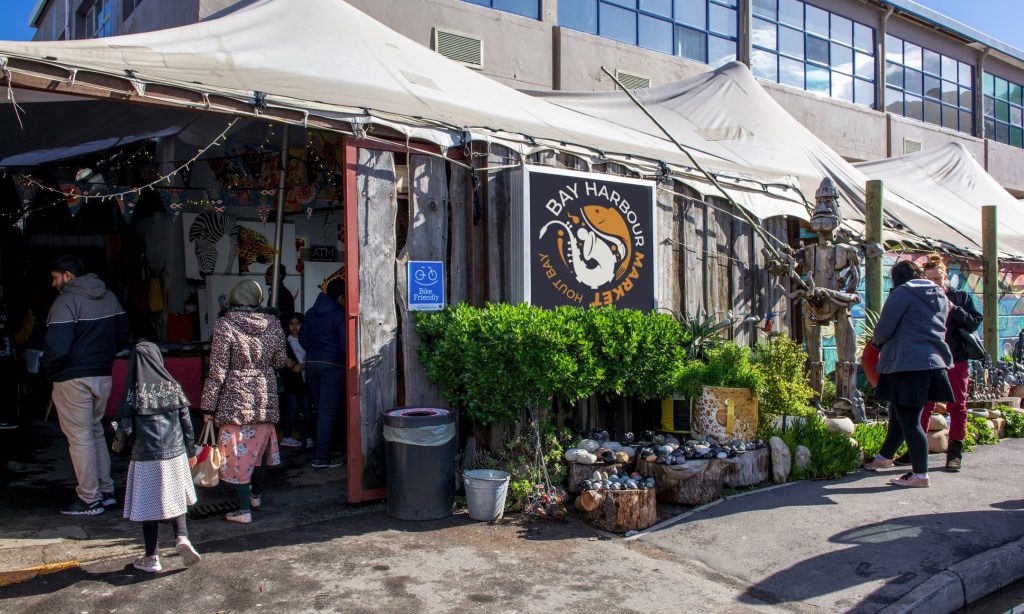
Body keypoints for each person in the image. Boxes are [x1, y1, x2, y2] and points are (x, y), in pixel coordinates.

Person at [44, 254, 130, 515]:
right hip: (103, 375)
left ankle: (89, 499)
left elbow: (56, 347)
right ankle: (105, 492)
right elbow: (123, 336)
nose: (53, 283)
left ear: (68, 276)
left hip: (73, 378)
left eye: (55, 277)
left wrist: (50, 371)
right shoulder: (110, 297)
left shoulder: (65, 302)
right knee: (94, 433)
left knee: (80, 438)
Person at [201, 280, 291, 524]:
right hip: (265, 393)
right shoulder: (273, 323)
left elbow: (218, 369)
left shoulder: (225, 323)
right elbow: (281, 360)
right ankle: (255, 496)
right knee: (258, 451)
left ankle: (243, 510)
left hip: (235, 397)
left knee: (237, 452)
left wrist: (208, 406)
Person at [862, 259, 955, 488]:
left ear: (896, 278)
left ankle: (920, 474)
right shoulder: (940, 295)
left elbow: (883, 329)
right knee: (899, 413)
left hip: (907, 364)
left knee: (909, 420)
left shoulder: (901, 294)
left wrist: (876, 344)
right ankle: (883, 459)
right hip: (934, 363)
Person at [114, 341, 201, 573]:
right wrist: (191, 452)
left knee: (148, 507)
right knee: (176, 498)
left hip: (145, 457)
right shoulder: (173, 387)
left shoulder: (134, 394)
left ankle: (152, 557)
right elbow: (187, 424)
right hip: (175, 454)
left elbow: (125, 429)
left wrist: (117, 447)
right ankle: (182, 537)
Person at [918, 255, 983, 472]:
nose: (934, 284)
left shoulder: (960, 297)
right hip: (931, 358)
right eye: (929, 280)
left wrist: (953, 308)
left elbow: (974, 322)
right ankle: (917, 450)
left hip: (956, 358)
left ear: (946, 277)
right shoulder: (922, 299)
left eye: (937, 279)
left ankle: (955, 453)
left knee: (958, 405)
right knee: (925, 404)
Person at [300, 278, 347, 469]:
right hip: (332, 366)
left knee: (321, 410)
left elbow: (302, 338)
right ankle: (321, 457)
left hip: (312, 365)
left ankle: (327, 450)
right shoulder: (339, 314)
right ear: (341, 297)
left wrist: (314, 352)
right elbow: (346, 345)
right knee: (328, 412)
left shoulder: (311, 312)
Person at [279, 313, 313, 449]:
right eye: (291, 324)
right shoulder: (285, 343)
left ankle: (309, 437)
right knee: (292, 410)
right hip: (293, 384)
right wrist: (285, 364)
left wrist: (303, 365)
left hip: (306, 383)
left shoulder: (308, 341)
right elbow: (278, 363)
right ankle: (287, 437)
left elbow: (313, 359)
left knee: (307, 411)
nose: (294, 327)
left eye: (297, 324)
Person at [265, 263, 295, 330]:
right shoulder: (276, 292)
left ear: (279, 276)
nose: (266, 276)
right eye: (266, 274)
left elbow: (286, 317)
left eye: (269, 274)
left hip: (280, 334)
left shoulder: (283, 294)